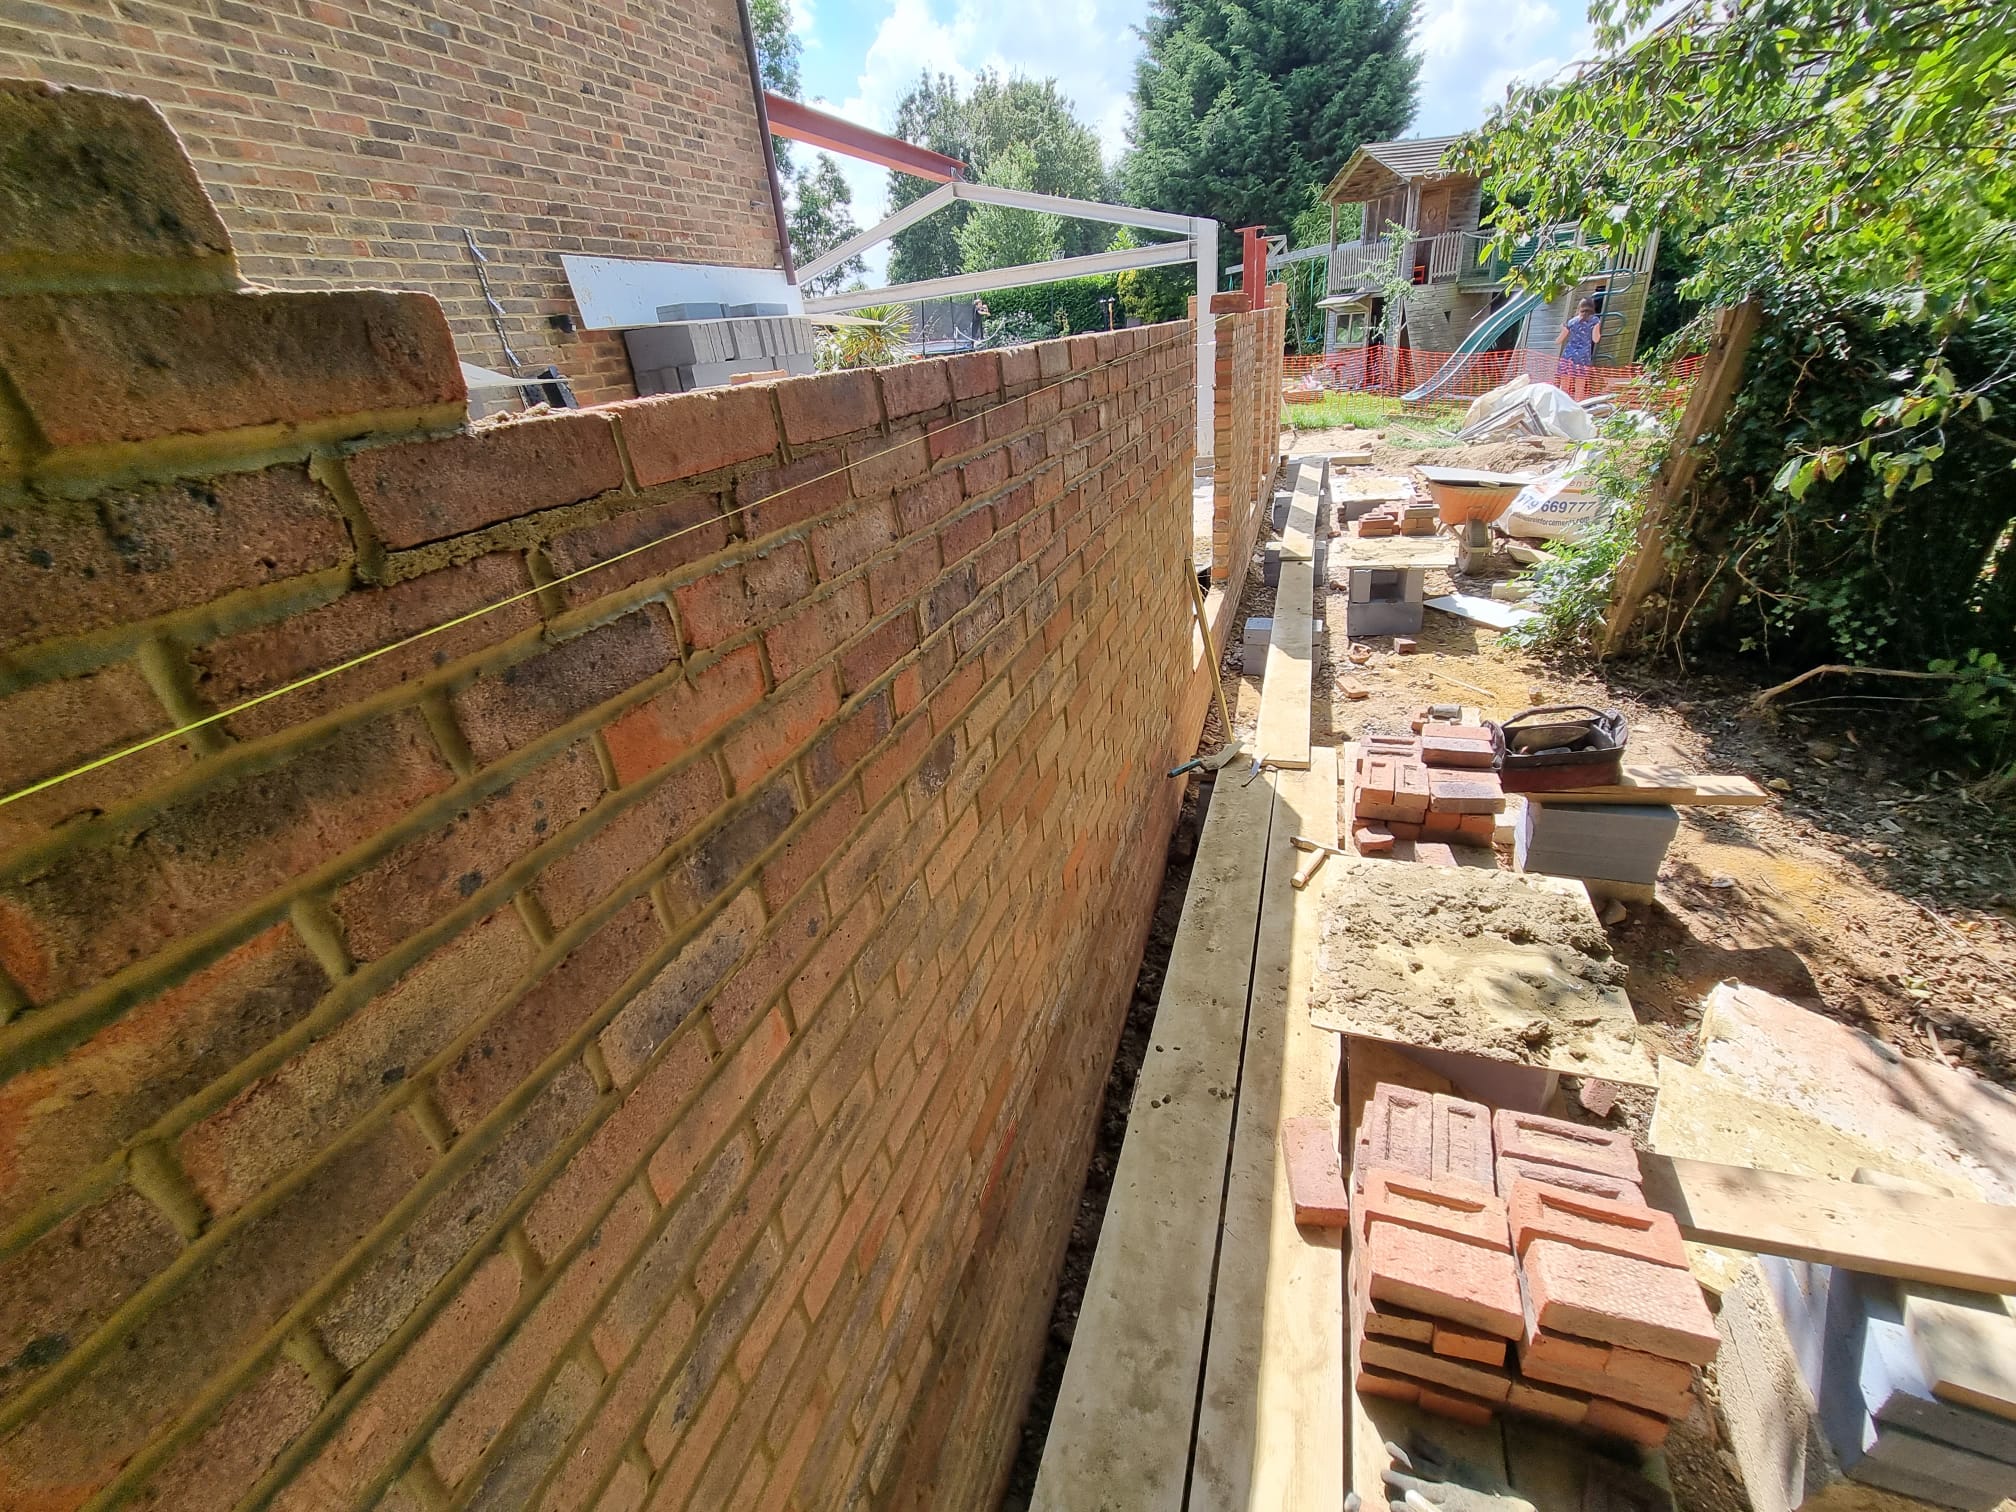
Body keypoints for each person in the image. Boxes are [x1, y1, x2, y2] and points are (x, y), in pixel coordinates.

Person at [1556, 296, 1602, 399]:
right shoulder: (1595, 320)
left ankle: (1562, 407)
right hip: (1583, 356)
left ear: (1579, 307)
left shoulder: (1572, 321)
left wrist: (1563, 329)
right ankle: (1578, 407)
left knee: (1564, 386)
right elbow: (1596, 339)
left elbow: (1558, 341)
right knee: (1580, 387)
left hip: (1568, 355)